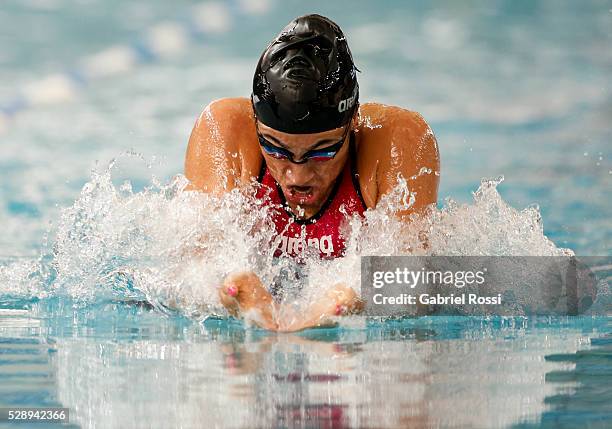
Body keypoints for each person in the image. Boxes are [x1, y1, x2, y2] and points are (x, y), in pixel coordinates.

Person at [184, 14, 440, 331]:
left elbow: (413, 279)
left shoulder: (397, 141)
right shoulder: (224, 131)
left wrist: (355, 294)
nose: (297, 177)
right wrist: (226, 285)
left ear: (352, 122)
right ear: (255, 123)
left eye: (322, 152)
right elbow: (191, 264)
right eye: (275, 150)